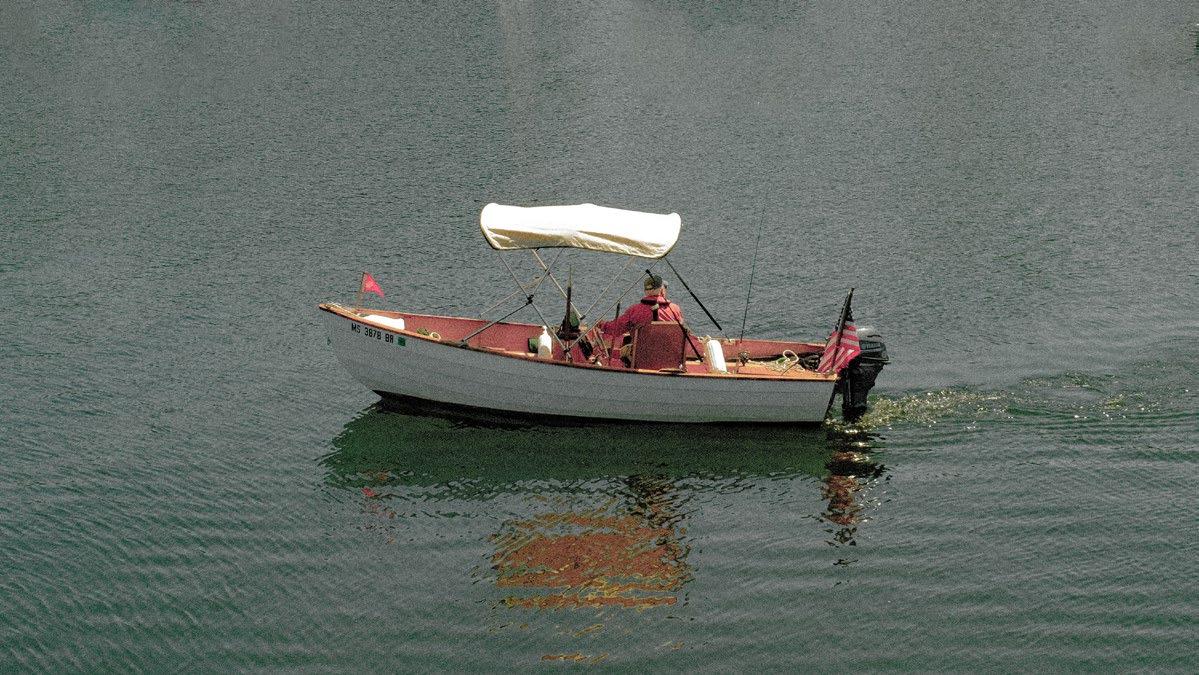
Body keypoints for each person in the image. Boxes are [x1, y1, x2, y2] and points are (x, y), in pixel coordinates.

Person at [595, 274, 685, 366]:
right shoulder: (675, 309)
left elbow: (616, 329)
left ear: (646, 291)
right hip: (670, 362)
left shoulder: (635, 310)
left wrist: (602, 325)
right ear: (661, 290)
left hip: (641, 362)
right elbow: (681, 334)